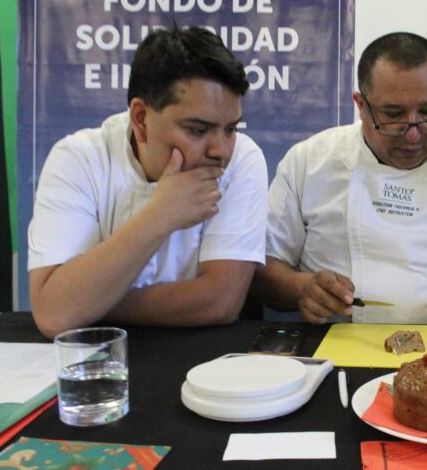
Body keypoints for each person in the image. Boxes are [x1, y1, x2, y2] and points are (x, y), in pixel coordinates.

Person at [252, 32, 427, 328]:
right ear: (361, 105)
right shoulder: (310, 162)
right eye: (394, 114)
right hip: (337, 339)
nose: (413, 134)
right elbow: (263, 267)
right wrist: (302, 289)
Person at [28, 26, 267, 338]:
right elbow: (54, 315)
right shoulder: (79, 158)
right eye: (197, 130)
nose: (221, 151)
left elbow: (220, 302)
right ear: (141, 119)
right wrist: (159, 215)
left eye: (231, 129)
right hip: (101, 359)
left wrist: (86, 306)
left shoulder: (244, 158)